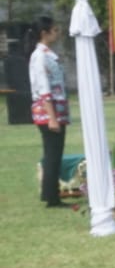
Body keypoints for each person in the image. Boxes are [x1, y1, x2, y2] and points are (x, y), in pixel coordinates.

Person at [28, 15, 69, 208]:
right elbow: (44, 89)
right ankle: (52, 197)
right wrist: (52, 118)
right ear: (44, 33)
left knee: (55, 154)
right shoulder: (40, 57)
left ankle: (50, 193)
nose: (57, 34)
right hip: (48, 113)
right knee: (53, 154)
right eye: (54, 30)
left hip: (56, 111)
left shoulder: (48, 54)